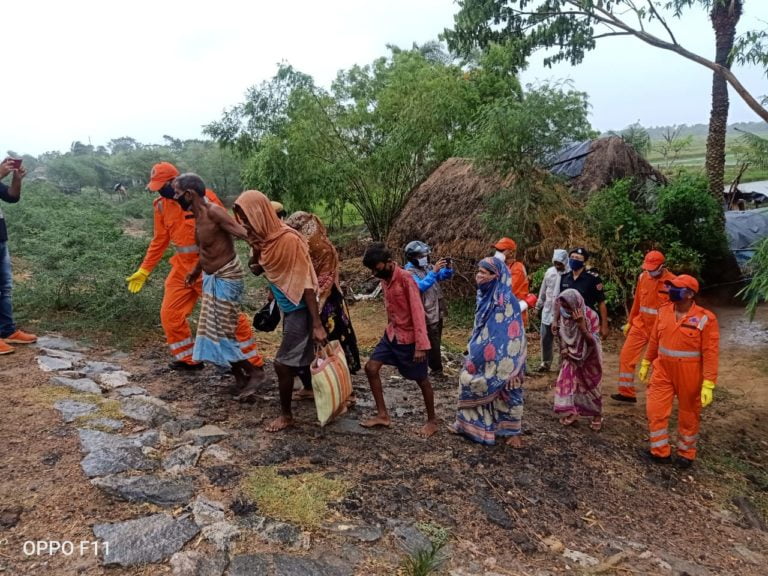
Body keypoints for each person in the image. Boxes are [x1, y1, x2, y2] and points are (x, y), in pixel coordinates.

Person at [126, 162, 264, 372]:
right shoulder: (161, 205)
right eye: (157, 187)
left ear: (176, 183)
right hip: (182, 270)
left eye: (163, 185)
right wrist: (144, 270)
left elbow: (225, 227)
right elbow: (159, 240)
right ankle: (189, 359)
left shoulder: (203, 197)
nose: (161, 191)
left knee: (229, 317)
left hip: (210, 268)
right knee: (170, 314)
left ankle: (252, 362)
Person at [233, 190, 327, 432]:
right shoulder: (265, 239)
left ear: (260, 214)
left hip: (302, 308)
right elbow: (256, 269)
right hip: (288, 306)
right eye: (241, 218)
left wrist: (317, 324)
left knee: (282, 364)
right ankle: (308, 389)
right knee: (300, 354)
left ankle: (286, 416)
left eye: (246, 217)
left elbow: (306, 282)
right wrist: (255, 249)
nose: (244, 223)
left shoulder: (289, 240)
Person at [169, 173, 265, 394]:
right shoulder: (196, 216)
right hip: (211, 278)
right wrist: (194, 272)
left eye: (177, 193)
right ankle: (240, 378)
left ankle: (255, 373)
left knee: (223, 330)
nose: (175, 197)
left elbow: (245, 235)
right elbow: (205, 251)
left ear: (189, 194)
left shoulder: (214, 212)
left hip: (227, 277)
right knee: (212, 332)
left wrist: (259, 259)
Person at [449, 257, 534, 447]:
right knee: (468, 381)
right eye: (478, 271)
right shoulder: (484, 296)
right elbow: (480, 328)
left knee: (509, 390)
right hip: (482, 356)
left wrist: (510, 367)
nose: (479, 275)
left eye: (484, 273)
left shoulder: (506, 301)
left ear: (497, 276)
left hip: (507, 358)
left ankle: (513, 432)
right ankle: (469, 426)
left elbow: (514, 334)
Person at [638, 275, 719, 469]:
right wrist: (646, 362)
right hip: (663, 369)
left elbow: (710, 352)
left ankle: (686, 453)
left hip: (690, 373)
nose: (672, 291)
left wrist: (708, 383)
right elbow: (655, 341)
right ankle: (660, 452)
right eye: (671, 287)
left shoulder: (705, 319)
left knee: (689, 414)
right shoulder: (663, 311)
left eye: (677, 288)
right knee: (654, 410)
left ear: (690, 294)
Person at [360, 242, 437, 438]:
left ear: (388, 262)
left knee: (422, 380)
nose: (374, 273)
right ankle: (383, 415)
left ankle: (432, 420)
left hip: (410, 338)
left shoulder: (406, 279)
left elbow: (418, 312)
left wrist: (421, 346)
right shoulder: (384, 280)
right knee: (370, 368)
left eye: (376, 269)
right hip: (392, 334)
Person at [284, 211, 362, 399]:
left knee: (332, 344)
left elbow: (324, 279)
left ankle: (342, 390)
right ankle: (312, 387)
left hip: (328, 304)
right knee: (308, 346)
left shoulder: (323, 249)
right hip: (306, 301)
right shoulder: (299, 248)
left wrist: (314, 304)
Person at [613, 250, 676, 403]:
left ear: (662, 266)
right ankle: (626, 393)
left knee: (658, 365)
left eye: (653, 269)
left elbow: (677, 310)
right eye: (647, 268)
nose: (650, 271)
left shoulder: (674, 283)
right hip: (640, 325)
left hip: (660, 330)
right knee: (626, 356)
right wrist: (630, 321)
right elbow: (637, 302)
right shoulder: (643, 277)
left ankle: (656, 396)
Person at [0, 158, 37, 355]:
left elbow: (12, 197)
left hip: (0, 238)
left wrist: (17, 179)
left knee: (5, 288)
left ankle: (7, 331)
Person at [553, 289, 603, 431]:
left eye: (568, 307)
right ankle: (573, 411)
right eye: (563, 307)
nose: (565, 310)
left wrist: (581, 325)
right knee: (569, 383)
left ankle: (597, 415)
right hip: (570, 355)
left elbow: (593, 342)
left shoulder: (591, 316)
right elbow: (563, 334)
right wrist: (564, 348)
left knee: (590, 387)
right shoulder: (565, 315)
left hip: (589, 357)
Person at [403, 240, 453, 377]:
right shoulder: (408, 272)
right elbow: (420, 286)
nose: (424, 258)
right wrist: (434, 271)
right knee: (432, 341)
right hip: (425, 312)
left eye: (425, 255)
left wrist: (447, 268)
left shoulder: (428, 267)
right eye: (420, 256)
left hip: (436, 309)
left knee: (436, 338)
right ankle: (436, 370)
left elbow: (442, 276)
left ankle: (428, 365)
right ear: (412, 258)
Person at [554, 247, 609, 340]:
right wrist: (555, 320)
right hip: (568, 323)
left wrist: (604, 325)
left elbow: (601, 302)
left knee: (588, 350)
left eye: (578, 258)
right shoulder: (564, 278)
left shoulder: (593, 278)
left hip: (587, 321)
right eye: (572, 257)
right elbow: (560, 301)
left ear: (584, 261)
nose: (574, 260)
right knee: (569, 351)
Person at [533, 249, 569, 372]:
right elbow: (543, 291)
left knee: (563, 340)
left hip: (563, 312)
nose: (558, 266)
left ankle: (563, 365)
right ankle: (546, 362)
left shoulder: (570, 274)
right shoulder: (549, 272)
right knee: (545, 338)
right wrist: (538, 306)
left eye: (560, 263)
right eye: (556, 263)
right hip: (548, 311)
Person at [493, 237, 529, 326]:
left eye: (501, 250)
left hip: (514, 309)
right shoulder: (501, 267)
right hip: (503, 309)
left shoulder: (517, 268)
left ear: (511, 252)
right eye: (497, 249)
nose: (498, 252)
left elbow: (509, 288)